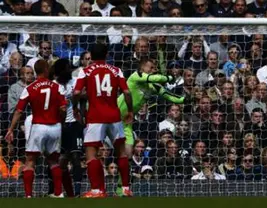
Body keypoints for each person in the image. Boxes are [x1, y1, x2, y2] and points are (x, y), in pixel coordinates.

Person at [116, 58, 185, 196]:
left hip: (126, 123)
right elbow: (155, 77)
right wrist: (170, 77)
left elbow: (170, 96)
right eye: (151, 67)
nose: (154, 70)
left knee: (128, 155)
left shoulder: (153, 87)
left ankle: (121, 189)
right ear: (142, 69)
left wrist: (185, 99)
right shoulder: (136, 76)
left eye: (155, 68)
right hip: (112, 117)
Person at [72, 43, 134, 198]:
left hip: (95, 117)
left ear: (91, 56)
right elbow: (126, 92)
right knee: (121, 153)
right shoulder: (116, 70)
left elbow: (77, 92)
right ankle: (126, 189)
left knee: (91, 154)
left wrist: (75, 108)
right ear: (107, 55)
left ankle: (96, 191)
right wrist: (130, 110)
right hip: (114, 116)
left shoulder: (85, 71)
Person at [5, 60, 67, 198]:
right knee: (53, 161)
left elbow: (19, 110)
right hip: (55, 127)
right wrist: (60, 120)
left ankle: (28, 195)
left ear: (35, 71)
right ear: (46, 69)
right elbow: (63, 108)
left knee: (30, 161)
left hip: (38, 126)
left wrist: (10, 129)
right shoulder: (58, 87)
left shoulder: (30, 88)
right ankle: (58, 193)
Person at [46, 59, 84, 197]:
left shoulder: (75, 81)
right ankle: (52, 190)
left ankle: (78, 192)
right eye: (66, 68)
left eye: (69, 68)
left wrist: (78, 96)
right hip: (58, 125)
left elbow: (84, 94)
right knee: (57, 159)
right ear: (59, 71)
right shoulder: (53, 86)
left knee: (76, 156)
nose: (69, 71)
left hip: (74, 124)